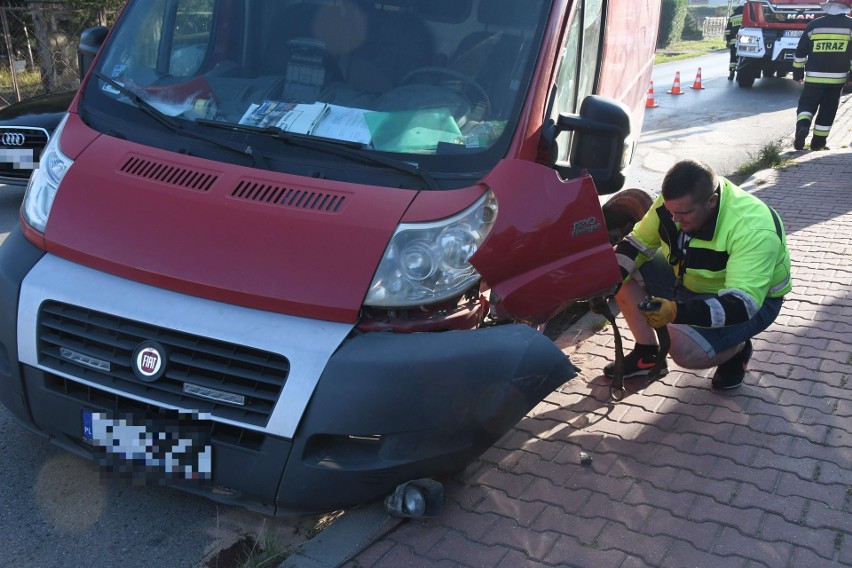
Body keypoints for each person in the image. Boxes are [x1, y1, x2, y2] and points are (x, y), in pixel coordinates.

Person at [604, 159, 792, 390]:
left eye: (683, 213)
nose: (674, 219)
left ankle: (737, 349)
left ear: (711, 201)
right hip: (693, 280)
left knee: (682, 348)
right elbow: (636, 244)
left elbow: (742, 304)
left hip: (753, 302)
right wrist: (604, 283)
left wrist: (676, 312)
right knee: (618, 266)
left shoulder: (753, 229)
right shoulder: (675, 203)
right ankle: (647, 354)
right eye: (671, 211)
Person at [792, 0, 852, 150]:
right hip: (837, 79)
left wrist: (798, 71)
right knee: (828, 110)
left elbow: (800, 52)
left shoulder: (814, 25)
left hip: (813, 77)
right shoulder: (850, 25)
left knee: (806, 105)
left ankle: (803, 126)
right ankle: (818, 143)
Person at [724, 1, 745, 81]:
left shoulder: (733, 16)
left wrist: (728, 40)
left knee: (733, 58)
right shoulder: (748, 15)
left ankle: (731, 74)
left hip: (733, 41)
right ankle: (740, 75)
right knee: (744, 58)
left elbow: (728, 30)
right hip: (745, 42)